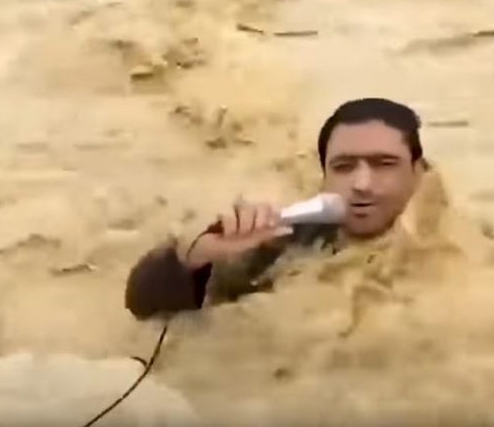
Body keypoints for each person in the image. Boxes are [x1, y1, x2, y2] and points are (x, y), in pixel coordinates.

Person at [125, 97, 429, 320]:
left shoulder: (449, 242)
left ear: (418, 172)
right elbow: (144, 307)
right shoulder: (283, 244)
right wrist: (192, 257)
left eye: (384, 164)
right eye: (344, 167)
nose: (362, 183)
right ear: (325, 178)